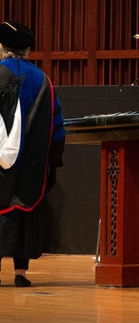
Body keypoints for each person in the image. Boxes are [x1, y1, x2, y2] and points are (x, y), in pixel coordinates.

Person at [0, 21, 65, 287]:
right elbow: (57, 130)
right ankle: (21, 273)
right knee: (26, 207)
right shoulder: (43, 81)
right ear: (28, 50)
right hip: (32, 165)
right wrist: (52, 161)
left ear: (2, 48)